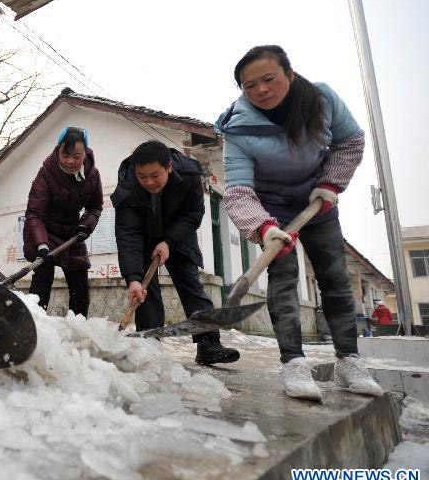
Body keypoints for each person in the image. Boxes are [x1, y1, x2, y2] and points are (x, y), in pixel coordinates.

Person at [215, 44, 383, 400]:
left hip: (315, 198)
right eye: (249, 86)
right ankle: (293, 362)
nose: (261, 90)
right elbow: (239, 190)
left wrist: (330, 183)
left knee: (335, 276)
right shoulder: (238, 128)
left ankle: (349, 361)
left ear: (288, 75)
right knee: (284, 276)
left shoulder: (321, 100)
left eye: (268, 79)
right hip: (271, 205)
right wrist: (264, 227)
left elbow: (350, 140)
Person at [112, 140, 241, 366]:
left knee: (191, 284)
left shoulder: (188, 174)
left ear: (169, 167)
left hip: (178, 234)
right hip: (143, 238)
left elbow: (193, 213)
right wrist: (132, 278)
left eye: (155, 175)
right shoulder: (128, 186)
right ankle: (149, 343)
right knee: (144, 289)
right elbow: (128, 233)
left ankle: (208, 344)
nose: (149, 182)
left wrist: (169, 242)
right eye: (142, 176)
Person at [23, 127, 102, 317]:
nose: (70, 161)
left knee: (80, 284)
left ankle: (78, 327)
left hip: (72, 234)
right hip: (45, 232)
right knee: (43, 276)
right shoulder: (46, 172)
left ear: (85, 154)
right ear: (58, 150)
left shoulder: (92, 175)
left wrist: (86, 226)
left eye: (76, 156)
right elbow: (34, 213)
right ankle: (34, 322)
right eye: (65, 155)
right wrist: (41, 244)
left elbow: (95, 207)